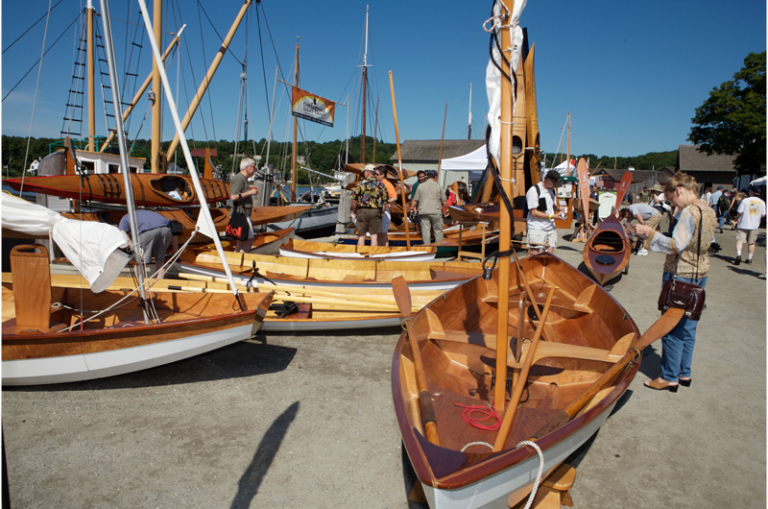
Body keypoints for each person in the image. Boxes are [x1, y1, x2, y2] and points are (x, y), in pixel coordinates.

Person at [633, 171, 716, 393]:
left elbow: (676, 245)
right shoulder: (709, 211)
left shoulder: (689, 213)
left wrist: (648, 233)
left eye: (672, 199)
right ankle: (683, 372)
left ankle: (668, 376)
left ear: (678, 191)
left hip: (680, 274)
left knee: (670, 327)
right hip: (700, 273)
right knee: (689, 326)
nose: (673, 203)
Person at [118, 209, 177, 280]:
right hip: (166, 230)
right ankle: (159, 285)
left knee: (138, 261)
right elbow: (173, 229)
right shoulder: (153, 213)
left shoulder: (125, 218)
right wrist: (175, 249)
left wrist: (132, 247)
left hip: (147, 232)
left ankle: (141, 286)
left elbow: (122, 232)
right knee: (160, 261)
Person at [526, 170, 565, 254]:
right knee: (535, 258)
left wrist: (558, 209)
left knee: (549, 256)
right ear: (549, 181)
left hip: (550, 227)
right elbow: (533, 212)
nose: (555, 187)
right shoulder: (534, 190)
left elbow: (551, 206)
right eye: (554, 184)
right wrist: (552, 216)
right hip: (537, 228)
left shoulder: (551, 190)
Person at [351, 164, 387, 247]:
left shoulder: (361, 183)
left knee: (361, 236)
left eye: (364, 172)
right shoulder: (381, 185)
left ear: (367, 172)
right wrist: (381, 214)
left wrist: (354, 211)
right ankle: (373, 256)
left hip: (363, 211)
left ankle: (361, 255)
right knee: (374, 236)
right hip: (376, 211)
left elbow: (354, 200)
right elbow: (384, 202)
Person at [229, 157, 259, 253]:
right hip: (241, 214)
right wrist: (251, 193)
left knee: (241, 241)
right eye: (254, 167)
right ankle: (241, 261)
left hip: (243, 214)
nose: (255, 169)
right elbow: (233, 196)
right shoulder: (240, 178)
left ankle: (235, 261)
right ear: (247, 167)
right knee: (249, 241)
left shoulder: (242, 178)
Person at [732, 188, 766, 266]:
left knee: (740, 240)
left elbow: (740, 212)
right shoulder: (762, 202)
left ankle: (738, 255)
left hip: (743, 224)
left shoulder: (745, 200)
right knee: (751, 242)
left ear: (751, 192)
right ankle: (749, 258)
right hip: (754, 225)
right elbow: (763, 214)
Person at [412, 170, 446, 244]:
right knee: (437, 230)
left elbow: (415, 200)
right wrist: (448, 209)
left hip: (423, 211)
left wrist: (412, 208)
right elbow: (444, 201)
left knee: (425, 230)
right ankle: (439, 247)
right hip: (435, 211)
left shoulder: (420, 186)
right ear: (435, 177)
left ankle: (427, 247)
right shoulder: (438, 186)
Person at [375, 166, 398, 247]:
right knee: (377, 235)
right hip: (378, 210)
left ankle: (384, 252)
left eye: (377, 174)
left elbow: (394, 197)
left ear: (383, 175)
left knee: (383, 235)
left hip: (384, 211)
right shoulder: (378, 184)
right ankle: (378, 252)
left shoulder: (388, 184)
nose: (375, 176)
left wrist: (383, 202)